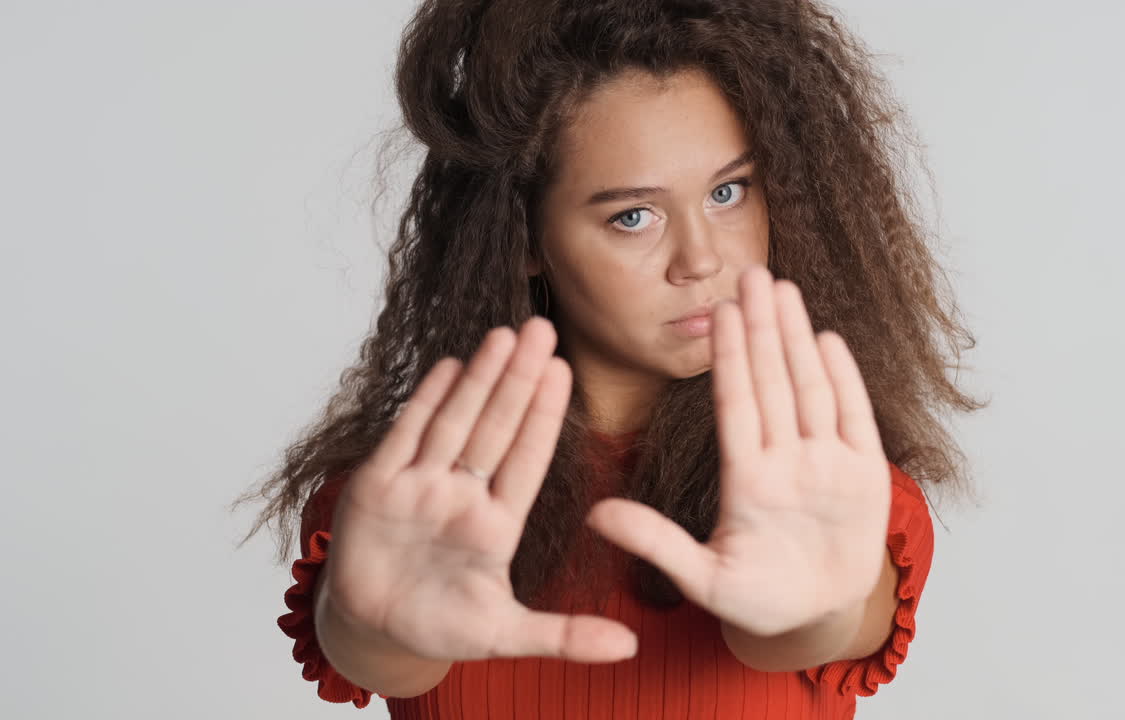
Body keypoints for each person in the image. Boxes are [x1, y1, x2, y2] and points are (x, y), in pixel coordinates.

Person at [235, 0, 985, 717]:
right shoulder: (415, 501)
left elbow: (803, 630)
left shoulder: (834, 492)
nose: (701, 259)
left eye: (729, 192)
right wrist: (374, 626)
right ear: (525, 239)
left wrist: (814, 608)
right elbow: (378, 646)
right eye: (634, 216)